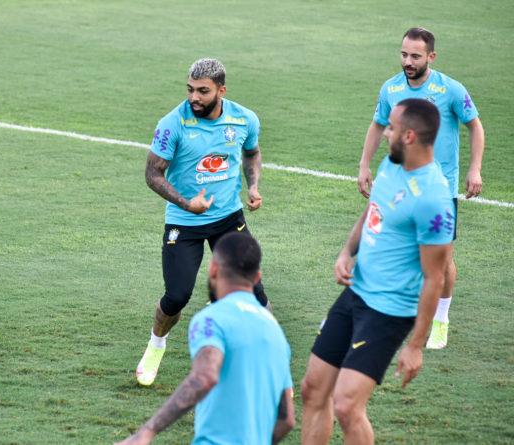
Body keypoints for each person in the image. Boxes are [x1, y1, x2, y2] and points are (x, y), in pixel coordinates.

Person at [301, 99, 454, 444]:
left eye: (391, 128)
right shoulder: (390, 164)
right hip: (356, 292)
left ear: (410, 136)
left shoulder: (433, 199)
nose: (385, 133)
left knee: (346, 405)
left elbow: (436, 277)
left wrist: (415, 346)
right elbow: (371, 212)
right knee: (313, 389)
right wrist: (345, 252)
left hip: (389, 311)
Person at [135, 58, 270, 387]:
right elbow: (153, 173)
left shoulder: (244, 119)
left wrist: (252, 186)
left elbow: (252, 152)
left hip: (228, 218)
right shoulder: (173, 123)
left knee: (257, 296)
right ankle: (156, 345)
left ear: (222, 91)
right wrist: (186, 203)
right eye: (190, 89)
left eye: (203, 91)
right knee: (177, 296)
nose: (194, 97)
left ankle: (261, 360)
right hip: (185, 222)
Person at [357, 27, 485, 349]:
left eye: (415, 56)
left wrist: (474, 168)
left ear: (431, 56)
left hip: (438, 189)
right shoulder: (391, 88)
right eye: (404, 54)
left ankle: (440, 319)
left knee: (440, 259)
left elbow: (475, 126)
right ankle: (396, 309)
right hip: (399, 182)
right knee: (397, 246)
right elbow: (378, 125)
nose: (408, 61)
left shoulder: (450, 89)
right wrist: (363, 165)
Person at [117, 231, 294, 444]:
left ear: (213, 269)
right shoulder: (274, 330)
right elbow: (287, 420)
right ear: (257, 277)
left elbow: (205, 377)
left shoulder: (211, 319)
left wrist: (146, 432)